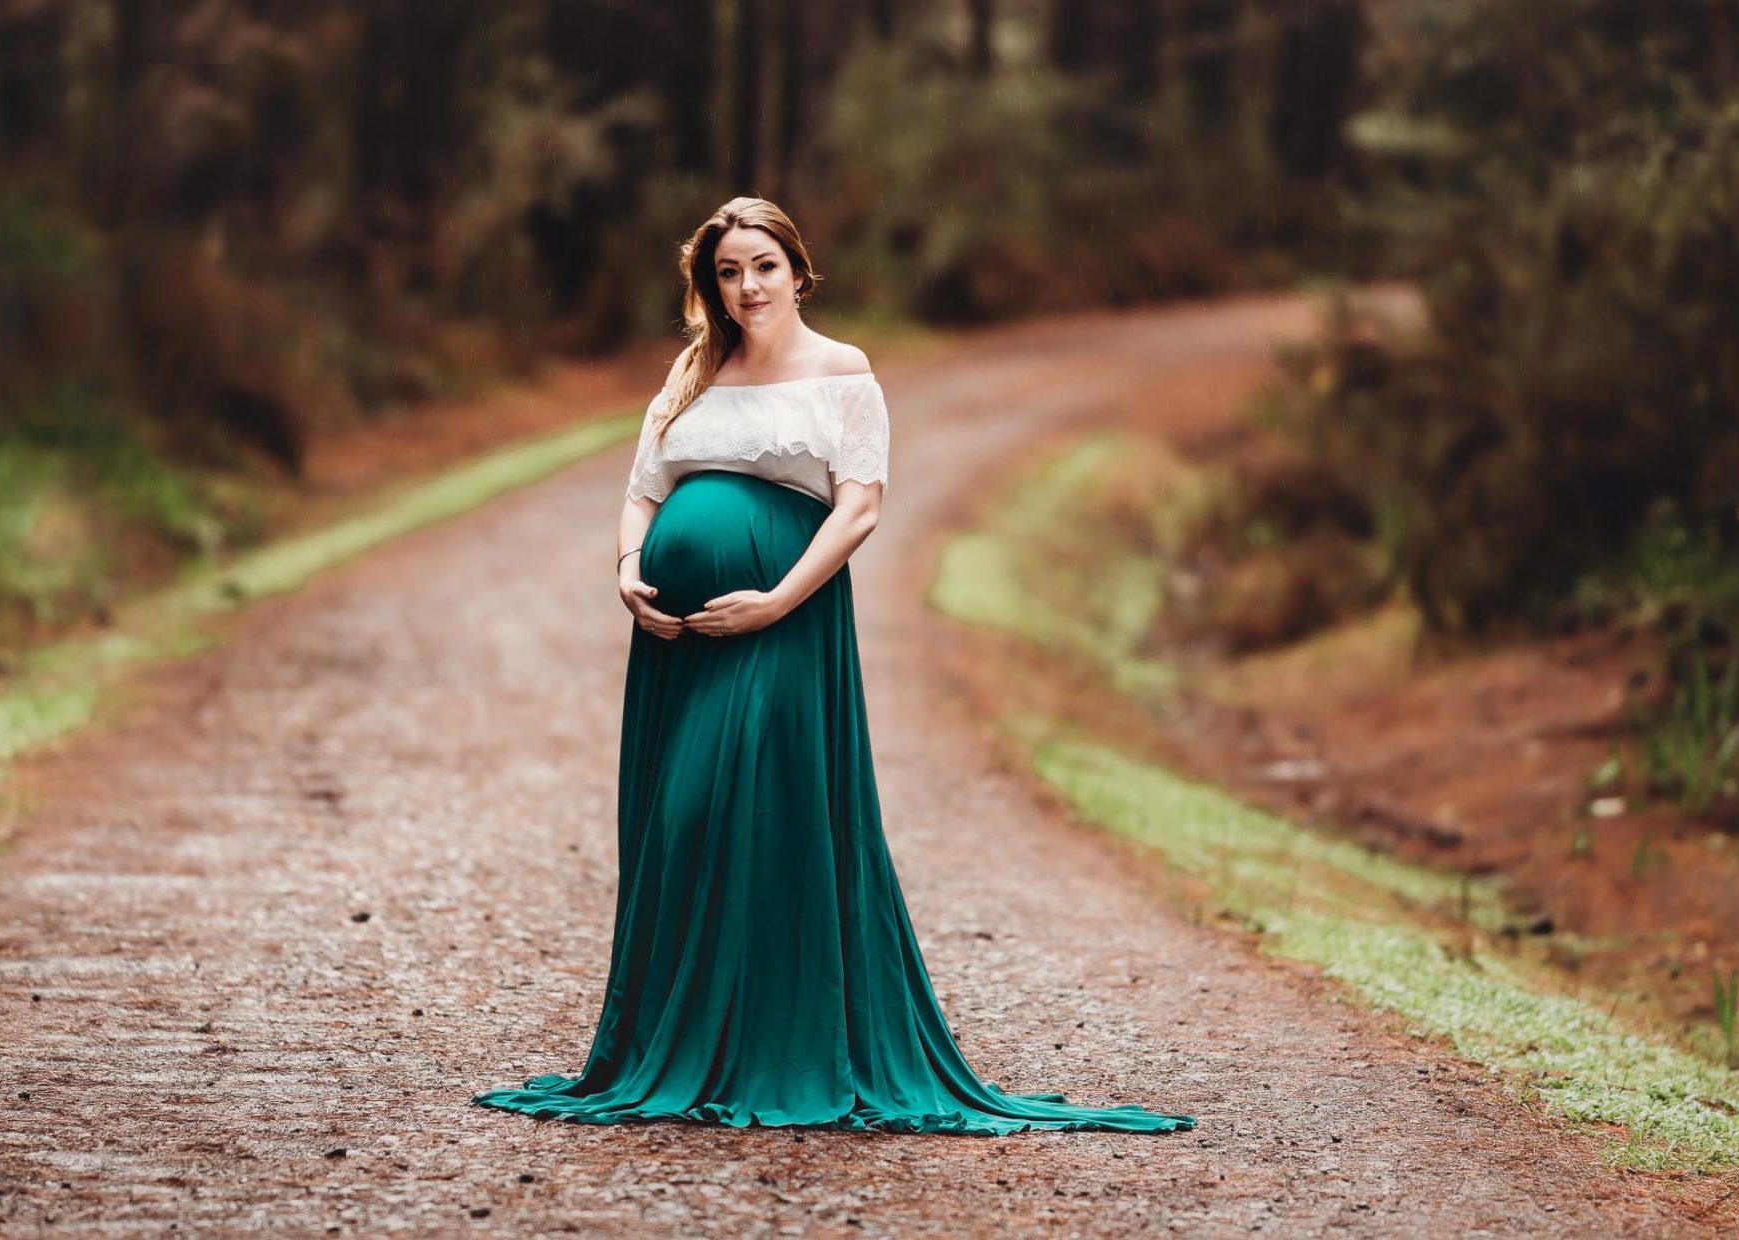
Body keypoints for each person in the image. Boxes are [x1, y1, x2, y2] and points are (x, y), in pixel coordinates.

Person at [471, 197, 1196, 1135]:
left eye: (763, 267)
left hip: (786, 623)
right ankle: (693, 1046)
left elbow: (857, 509)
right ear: (710, 282)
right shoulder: (693, 373)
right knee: (677, 826)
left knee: (743, 807)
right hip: (675, 643)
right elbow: (642, 496)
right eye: (728, 272)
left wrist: (776, 600)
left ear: (799, 271)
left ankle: (780, 1043)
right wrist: (625, 573)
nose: (747, 287)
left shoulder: (842, 371)